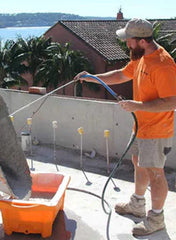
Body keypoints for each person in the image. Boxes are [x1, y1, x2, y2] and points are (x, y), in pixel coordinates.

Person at [74, 18, 176, 237]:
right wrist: (93, 78)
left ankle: (156, 219)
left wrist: (136, 105)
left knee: (156, 174)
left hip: (157, 130)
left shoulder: (163, 64)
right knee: (139, 163)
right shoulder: (140, 57)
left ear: (141, 41)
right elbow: (121, 74)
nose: (126, 45)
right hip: (142, 126)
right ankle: (138, 204)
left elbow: (172, 101)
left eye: (129, 41)